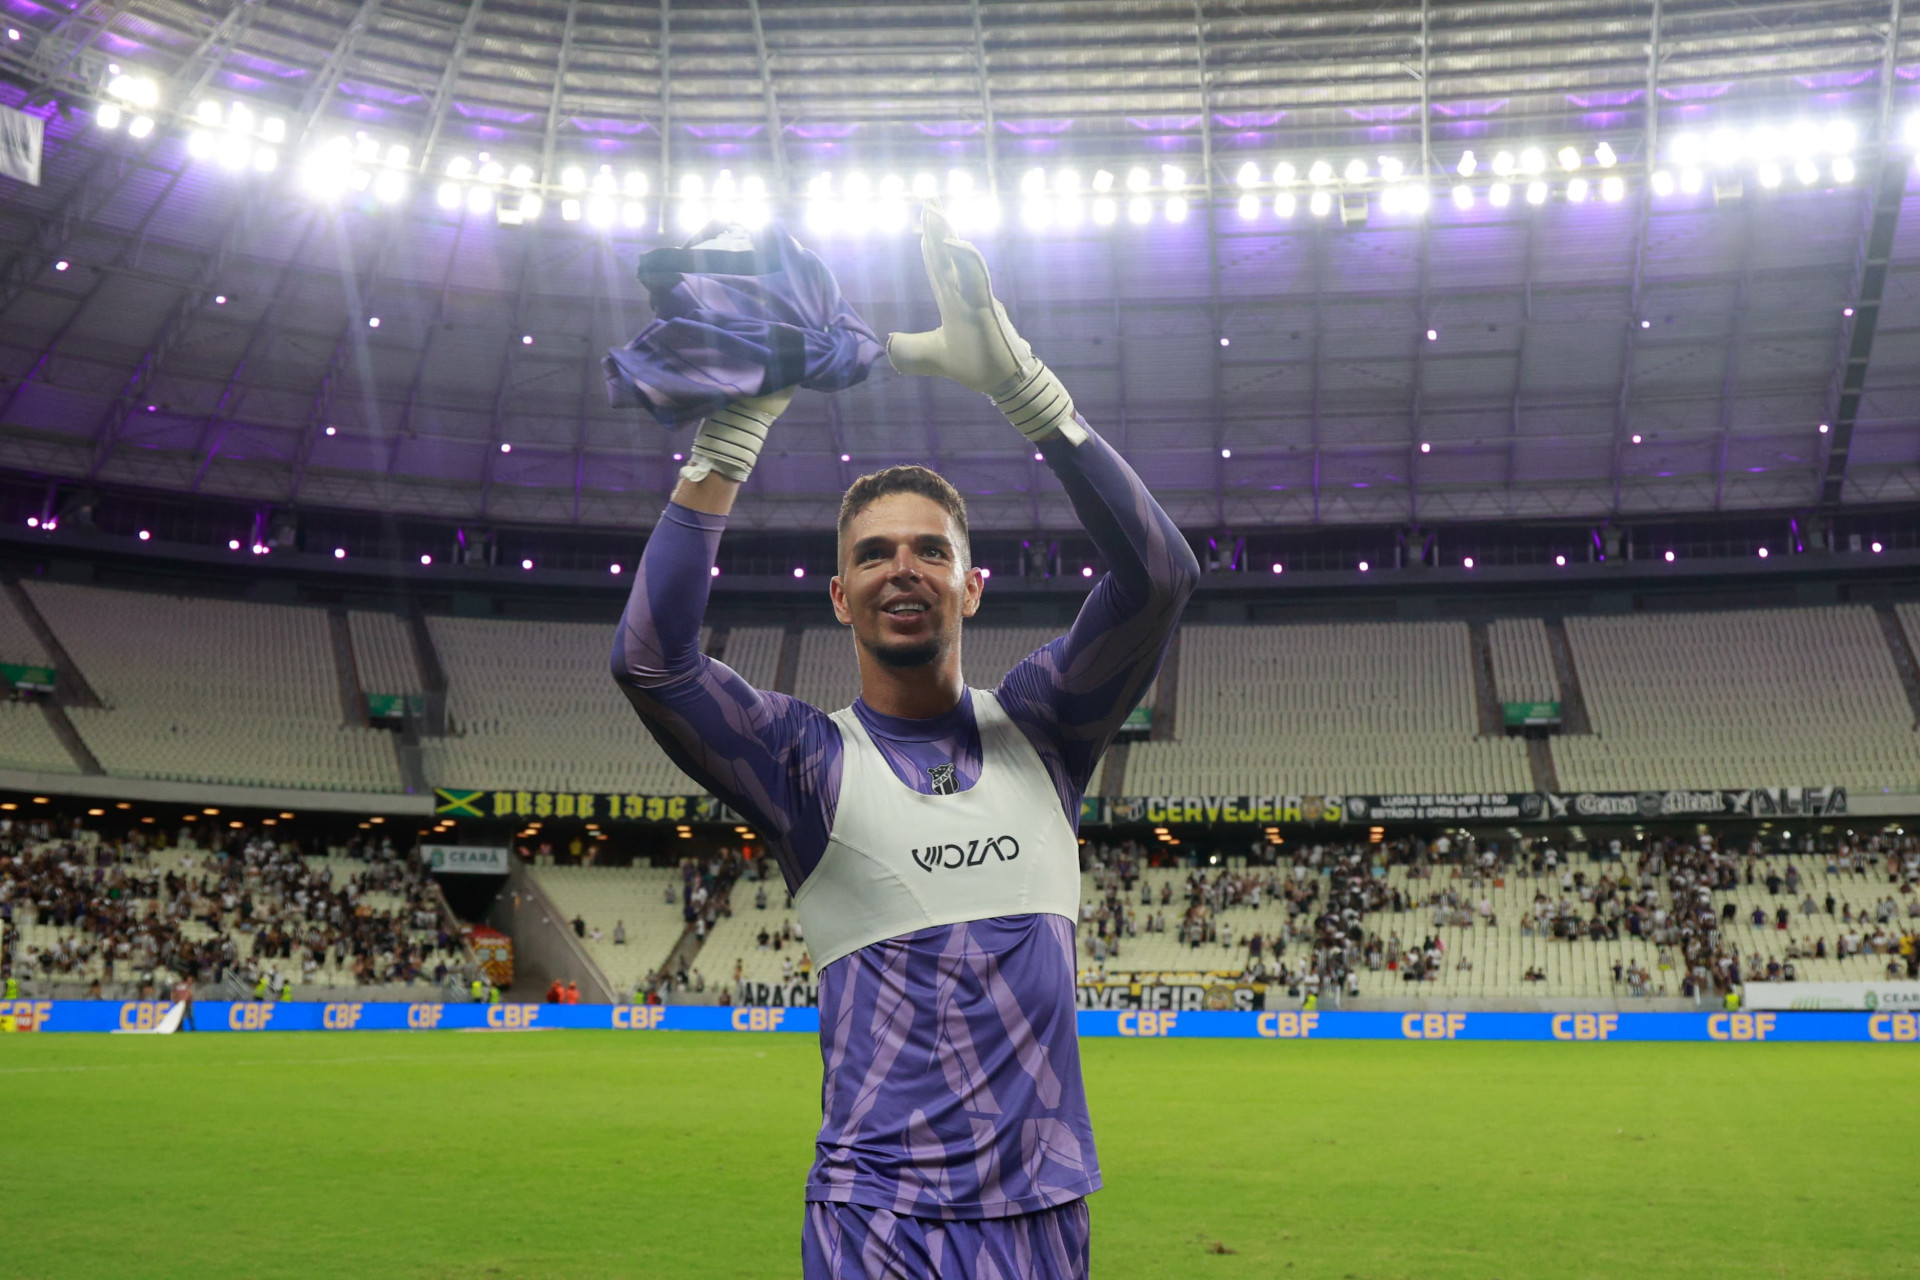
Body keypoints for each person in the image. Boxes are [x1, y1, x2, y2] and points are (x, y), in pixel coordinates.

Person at [612, 206, 1195, 1279]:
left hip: (1044, 1217)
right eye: (874, 553)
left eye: (932, 549)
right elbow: (653, 660)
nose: (903, 567)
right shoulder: (804, 765)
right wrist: (731, 439)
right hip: (878, 1224)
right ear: (841, 594)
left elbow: (1159, 577)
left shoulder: (1044, 732)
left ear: (973, 584)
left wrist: (1027, 390)